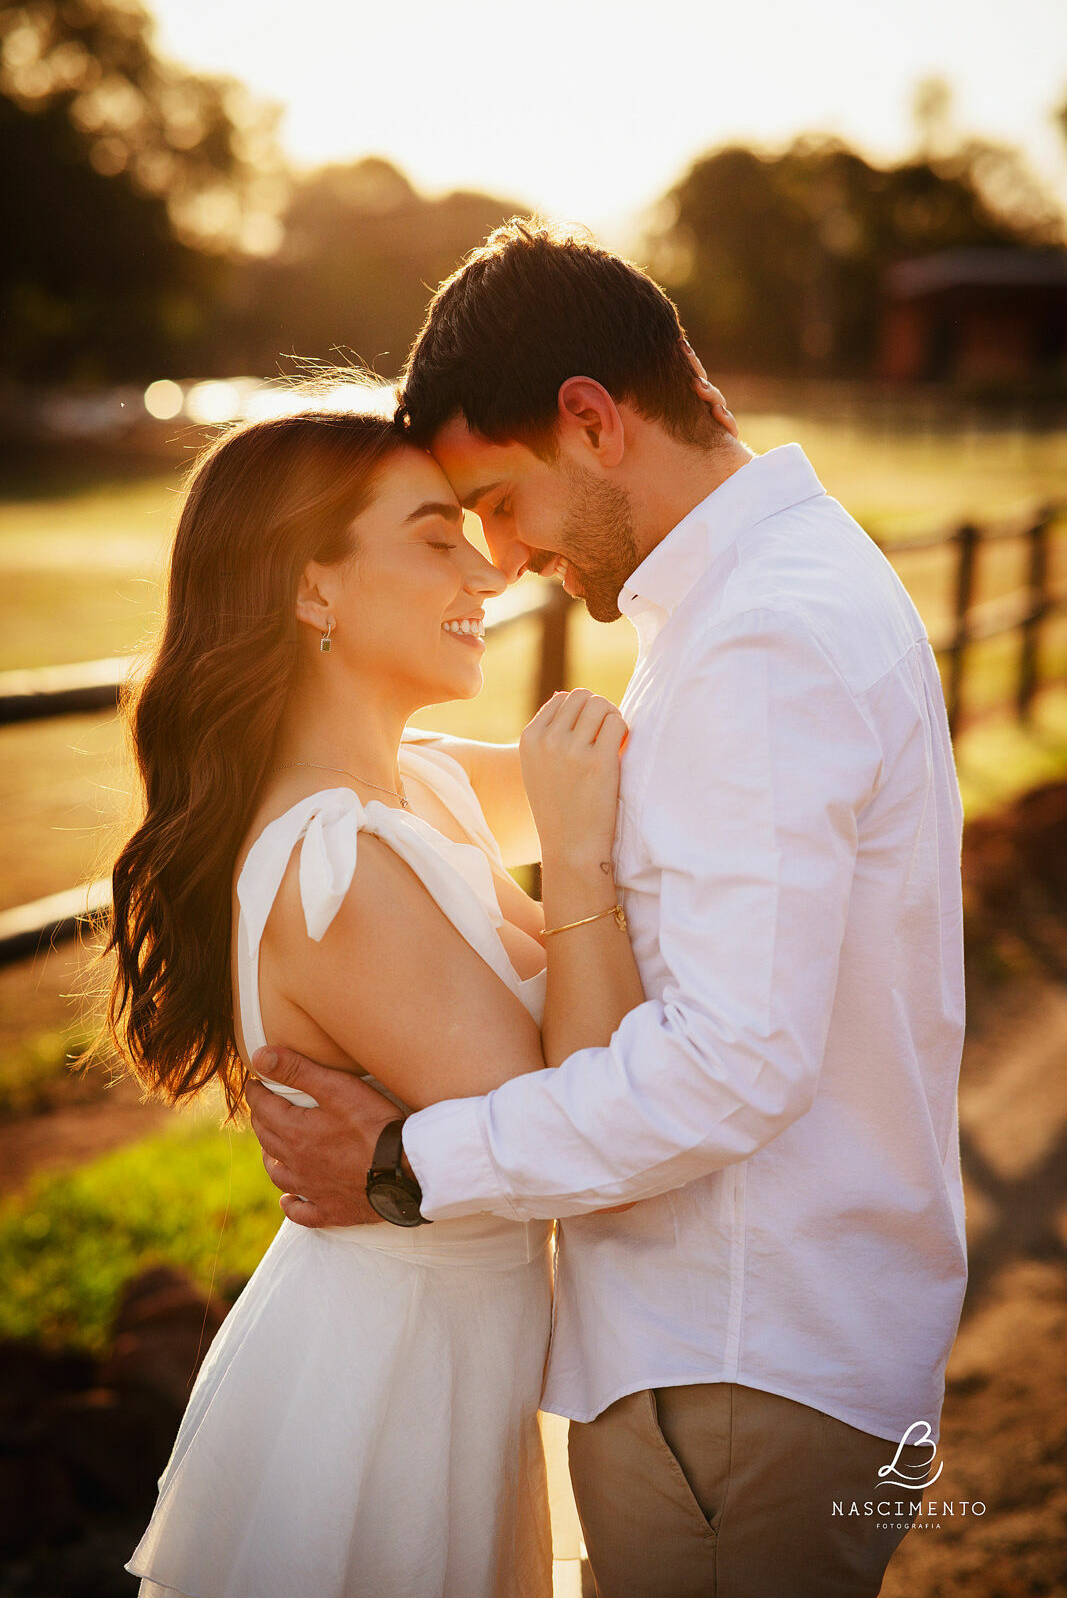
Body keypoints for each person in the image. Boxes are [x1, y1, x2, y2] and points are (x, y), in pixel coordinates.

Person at [248, 221, 968, 1597]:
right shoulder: (759, 599)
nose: (503, 555)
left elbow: (727, 1068)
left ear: (590, 420)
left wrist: (405, 1166)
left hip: (735, 1367)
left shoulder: (758, 636)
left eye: (500, 500)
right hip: (751, 1356)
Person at [108, 399, 645, 1597]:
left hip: (466, 1353)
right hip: (393, 1383)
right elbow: (583, 1115)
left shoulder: (424, 790)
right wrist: (576, 857)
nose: (488, 572)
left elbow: (654, 774)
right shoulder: (329, 866)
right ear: (313, 593)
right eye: (433, 538)